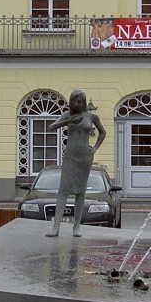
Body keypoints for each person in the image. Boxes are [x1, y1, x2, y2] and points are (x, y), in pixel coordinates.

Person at [46, 89, 107, 237]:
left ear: (84, 103)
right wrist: (68, 121)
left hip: (84, 157)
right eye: (75, 101)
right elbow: (51, 127)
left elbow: (102, 132)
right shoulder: (68, 115)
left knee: (80, 192)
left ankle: (76, 227)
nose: (77, 104)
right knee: (63, 190)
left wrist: (95, 149)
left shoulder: (92, 116)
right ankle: (56, 227)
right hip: (70, 155)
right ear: (71, 102)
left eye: (80, 102)